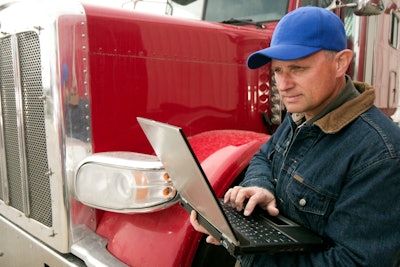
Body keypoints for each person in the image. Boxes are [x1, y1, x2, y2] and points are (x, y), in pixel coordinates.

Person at [190, 6, 400, 267]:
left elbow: (354, 262)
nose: (283, 85)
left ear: (340, 63)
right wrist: (260, 186)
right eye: (277, 71)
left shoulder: (379, 154)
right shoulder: (304, 113)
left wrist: (249, 252)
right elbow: (264, 155)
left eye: (298, 69)